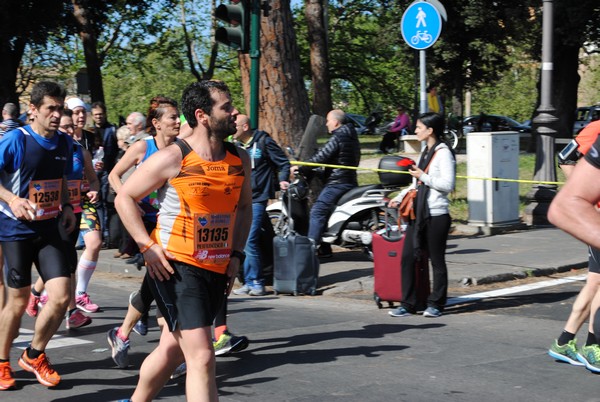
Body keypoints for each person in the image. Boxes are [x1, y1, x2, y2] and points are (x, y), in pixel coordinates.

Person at [114, 80, 251, 401]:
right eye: (226, 107)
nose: (234, 113)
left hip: (216, 268)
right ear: (203, 115)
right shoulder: (174, 157)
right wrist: (146, 246)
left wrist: (237, 254)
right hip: (175, 267)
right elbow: (125, 198)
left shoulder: (239, 158)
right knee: (202, 356)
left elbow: (244, 208)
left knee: (172, 349)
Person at [0, 81, 76, 390]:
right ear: (33, 110)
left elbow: (63, 179)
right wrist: (13, 200)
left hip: (48, 228)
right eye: (51, 109)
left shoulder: (64, 143)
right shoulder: (16, 139)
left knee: (60, 296)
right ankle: (2, 362)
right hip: (15, 230)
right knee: (17, 302)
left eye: (61, 109)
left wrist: (69, 204)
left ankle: (34, 354)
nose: (57, 115)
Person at [107, 96, 181, 367]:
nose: (177, 121)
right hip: (143, 224)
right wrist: (129, 201)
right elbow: (114, 175)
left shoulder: (179, 150)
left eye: (178, 117)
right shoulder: (142, 147)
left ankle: (122, 334)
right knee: (162, 280)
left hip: (167, 223)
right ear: (156, 123)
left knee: (156, 283)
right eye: (172, 117)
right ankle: (171, 356)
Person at [26, 109, 100, 328]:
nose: (68, 130)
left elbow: (93, 179)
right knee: (66, 260)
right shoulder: (46, 149)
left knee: (68, 261)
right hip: (53, 212)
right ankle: (73, 312)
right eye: (64, 127)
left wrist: (94, 190)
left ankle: (35, 292)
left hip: (76, 210)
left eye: (70, 127)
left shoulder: (80, 151)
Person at [388, 112, 455, 318]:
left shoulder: (443, 153)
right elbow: (415, 184)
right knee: (408, 258)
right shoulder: (425, 151)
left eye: (418, 127)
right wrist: (399, 197)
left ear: (430, 130)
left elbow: (447, 185)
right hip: (418, 214)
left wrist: (423, 176)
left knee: (436, 261)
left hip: (436, 215)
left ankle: (436, 303)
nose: (415, 130)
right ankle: (407, 304)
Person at [547, 119, 600, 371]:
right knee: (596, 284)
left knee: (594, 283)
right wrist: (584, 196)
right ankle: (591, 346)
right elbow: (565, 156)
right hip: (595, 220)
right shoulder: (596, 128)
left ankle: (566, 341)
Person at [232, 114, 290, 295]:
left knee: (249, 239)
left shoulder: (263, 141)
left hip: (257, 198)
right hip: (241, 198)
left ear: (245, 127)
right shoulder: (237, 147)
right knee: (248, 239)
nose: (232, 128)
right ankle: (249, 280)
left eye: (236, 125)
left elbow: (283, 162)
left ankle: (256, 281)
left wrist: (283, 180)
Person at [297, 109, 360, 258]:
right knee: (327, 211)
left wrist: (301, 166)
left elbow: (322, 156)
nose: (326, 124)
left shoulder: (338, 137)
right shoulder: (351, 136)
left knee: (318, 210)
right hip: (348, 179)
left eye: (328, 120)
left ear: (336, 122)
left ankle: (311, 249)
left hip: (338, 182)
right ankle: (325, 249)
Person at [91, 101, 118, 246]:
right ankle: (100, 234)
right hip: (94, 171)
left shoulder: (111, 129)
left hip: (108, 171)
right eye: (96, 115)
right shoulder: (90, 131)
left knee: (108, 203)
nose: (99, 117)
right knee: (97, 203)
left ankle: (108, 235)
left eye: (101, 114)